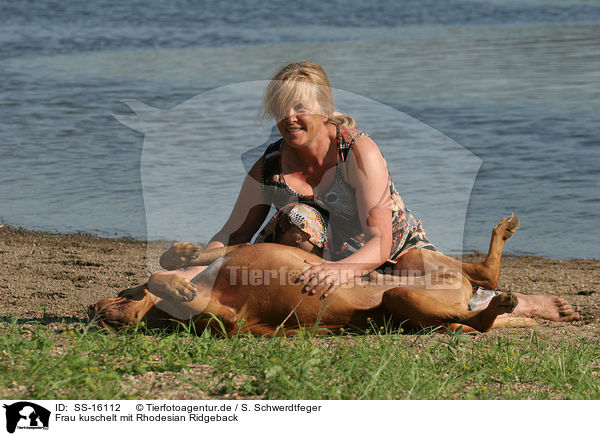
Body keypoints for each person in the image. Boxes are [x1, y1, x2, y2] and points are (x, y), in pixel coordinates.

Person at [150, 61, 579, 323]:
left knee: (426, 279)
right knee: (296, 219)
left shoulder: (358, 149)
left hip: (387, 246)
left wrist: (341, 271)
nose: (290, 116)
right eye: (282, 107)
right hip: (310, 255)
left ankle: (521, 304)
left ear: (323, 108)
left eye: (301, 106)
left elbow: (381, 240)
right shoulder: (269, 163)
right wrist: (187, 275)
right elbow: (232, 234)